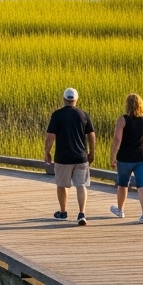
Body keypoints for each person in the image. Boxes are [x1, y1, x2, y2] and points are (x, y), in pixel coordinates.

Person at [45, 88, 96, 226]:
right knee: (81, 185)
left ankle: (63, 212)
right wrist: (92, 152)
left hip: (63, 157)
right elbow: (91, 135)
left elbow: (50, 136)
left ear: (64, 99)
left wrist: (47, 152)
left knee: (62, 185)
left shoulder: (57, 115)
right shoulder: (83, 115)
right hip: (81, 157)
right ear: (76, 100)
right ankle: (82, 213)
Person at [110, 93, 143, 224]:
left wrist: (113, 156)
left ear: (127, 105)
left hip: (125, 157)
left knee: (123, 184)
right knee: (142, 186)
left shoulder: (122, 120)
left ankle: (120, 210)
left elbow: (117, 139)